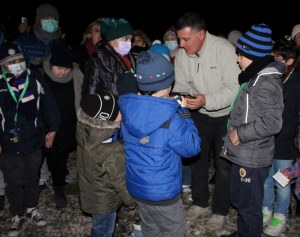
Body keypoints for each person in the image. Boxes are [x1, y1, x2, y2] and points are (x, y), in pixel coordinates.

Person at [118, 50, 201, 236]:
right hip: (164, 194)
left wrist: (167, 104)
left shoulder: (129, 110)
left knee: (151, 229)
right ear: (169, 84)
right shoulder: (173, 118)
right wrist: (185, 113)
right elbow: (192, 147)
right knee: (174, 232)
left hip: (138, 189)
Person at [173, 11, 240, 231]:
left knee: (224, 166)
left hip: (224, 117)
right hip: (198, 114)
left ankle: (220, 211)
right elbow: (181, 85)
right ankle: (200, 202)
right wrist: (182, 99)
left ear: (201, 34)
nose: (181, 45)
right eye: (179, 39)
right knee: (196, 160)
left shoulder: (224, 51)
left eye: (185, 39)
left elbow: (235, 89)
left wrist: (206, 100)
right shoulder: (183, 55)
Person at [220, 23, 285, 237]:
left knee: (249, 207)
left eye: (240, 55)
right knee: (240, 200)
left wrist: (240, 133)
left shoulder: (265, 83)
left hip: (252, 156)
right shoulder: (255, 77)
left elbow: (273, 122)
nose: (238, 59)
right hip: (244, 154)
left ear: (253, 55)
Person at [81, 17, 137, 236]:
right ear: (112, 39)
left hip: (128, 129)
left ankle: (126, 224)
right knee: (106, 189)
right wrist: (115, 112)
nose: (129, 42)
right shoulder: (97, 61)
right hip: (108, 130)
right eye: (125, 38)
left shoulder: (129, 57)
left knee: (124, 183)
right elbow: (88, 100)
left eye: (131, 38)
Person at [0, 42, 60, 237]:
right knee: (14, 181)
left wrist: (53, 128)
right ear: (3, 65)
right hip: (8, 143)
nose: (16, 64)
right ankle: (17, 213)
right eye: (11, 62)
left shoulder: (34, 79)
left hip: (33, 140)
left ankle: (31, 208)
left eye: (19, 60)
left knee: (32, 177)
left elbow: (49, 103)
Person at [77, 92, 136, 237]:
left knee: (99, 226)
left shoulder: (85, 134)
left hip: (90, 192)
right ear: (107, 120)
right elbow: (121, 182)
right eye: (120, 111)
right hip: (105, 202)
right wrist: (132, 201)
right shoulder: (111, 150)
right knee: (104, 231)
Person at [262, 38, 300, 236]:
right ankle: (266, 209)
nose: (274, 61)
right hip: (267, 139)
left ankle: (281, 214)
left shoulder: (296, 81)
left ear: (290, 61)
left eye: (278, 58)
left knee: (282, 181)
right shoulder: (270, 76)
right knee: (266, 178)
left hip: (287, 143)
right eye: (273, 56)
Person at [42, 44, 83, 209]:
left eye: (67, 68)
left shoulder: (77, 75)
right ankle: (59, 188)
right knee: (55, 156)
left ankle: (65, 178)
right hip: (50, 126)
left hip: (71, 123)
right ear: (51, 64)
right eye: (59, 68)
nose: (64, 72)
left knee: (64, 153)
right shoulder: (42, 78)